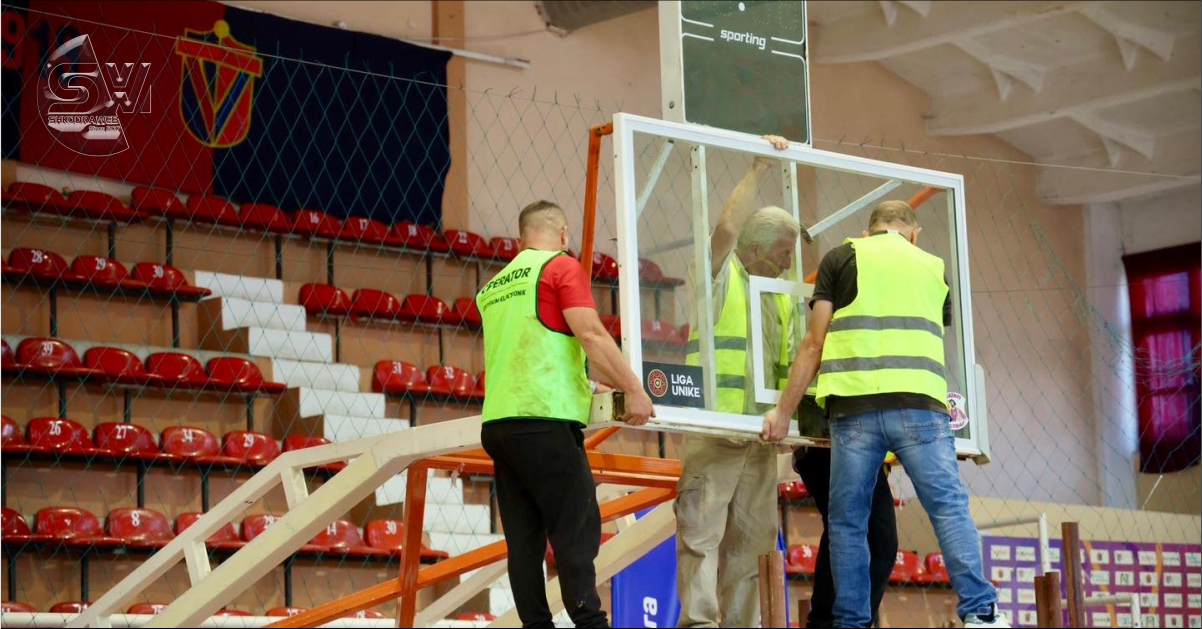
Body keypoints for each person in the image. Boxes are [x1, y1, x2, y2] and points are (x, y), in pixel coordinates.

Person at [762, 201, 1009, 628]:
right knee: (949, 509)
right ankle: (981, 613)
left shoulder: (842, 257)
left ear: (869, 229)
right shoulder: (933, 267)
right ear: (913, 233)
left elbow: (813, 344)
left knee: (847, 524)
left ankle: (852, 622)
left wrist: (784, 410)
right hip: (921, 407)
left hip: (855, 409)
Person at [476, 200, 656, 629]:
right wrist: (634, 388)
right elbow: (590, 333)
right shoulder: (560, 267)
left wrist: (591, 384)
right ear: (563, 234)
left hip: (500, 421)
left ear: (521, 239)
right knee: (576, 530)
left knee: (523, 543)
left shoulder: (496, 285)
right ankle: (591, 622)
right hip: (545, 418)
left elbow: (538, 348)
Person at [676, 134, 797, 628]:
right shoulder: (720, 277)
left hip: (761, 440)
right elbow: (726, 226)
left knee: (753, 552)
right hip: (716, 432)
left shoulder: (784, 297)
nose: (791, 262)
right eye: (784, 251)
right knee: (700, 540)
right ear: (756, 248)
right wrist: (758, 169)